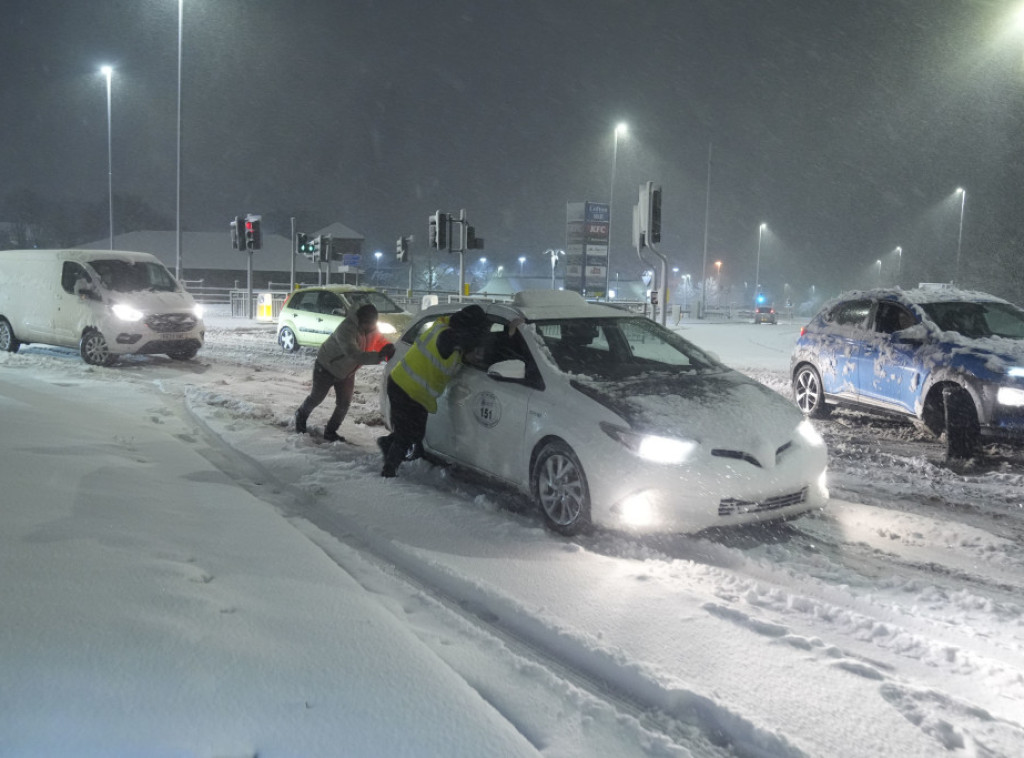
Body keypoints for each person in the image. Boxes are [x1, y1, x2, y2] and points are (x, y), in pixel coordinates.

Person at [378, 303, 489, 477]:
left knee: (415, 432)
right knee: (406, 434)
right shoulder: (448, 337)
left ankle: (386, 444)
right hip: (405, 388)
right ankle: (388, 471)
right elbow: (467, 344)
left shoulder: (445, 326)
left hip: (411, 389)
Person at [294, 303, 396, 442]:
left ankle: (330, 432)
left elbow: (378, 340)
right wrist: (379, 356)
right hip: (326, 367)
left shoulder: (371, 328)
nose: (373, 328)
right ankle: (300, 416)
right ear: (362, 321)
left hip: (347, 372)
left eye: (374, 324)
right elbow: (354, 354)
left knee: (344, 403)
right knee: (316, 398)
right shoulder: (346, 329)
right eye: (370, 324)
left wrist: (387, 347)